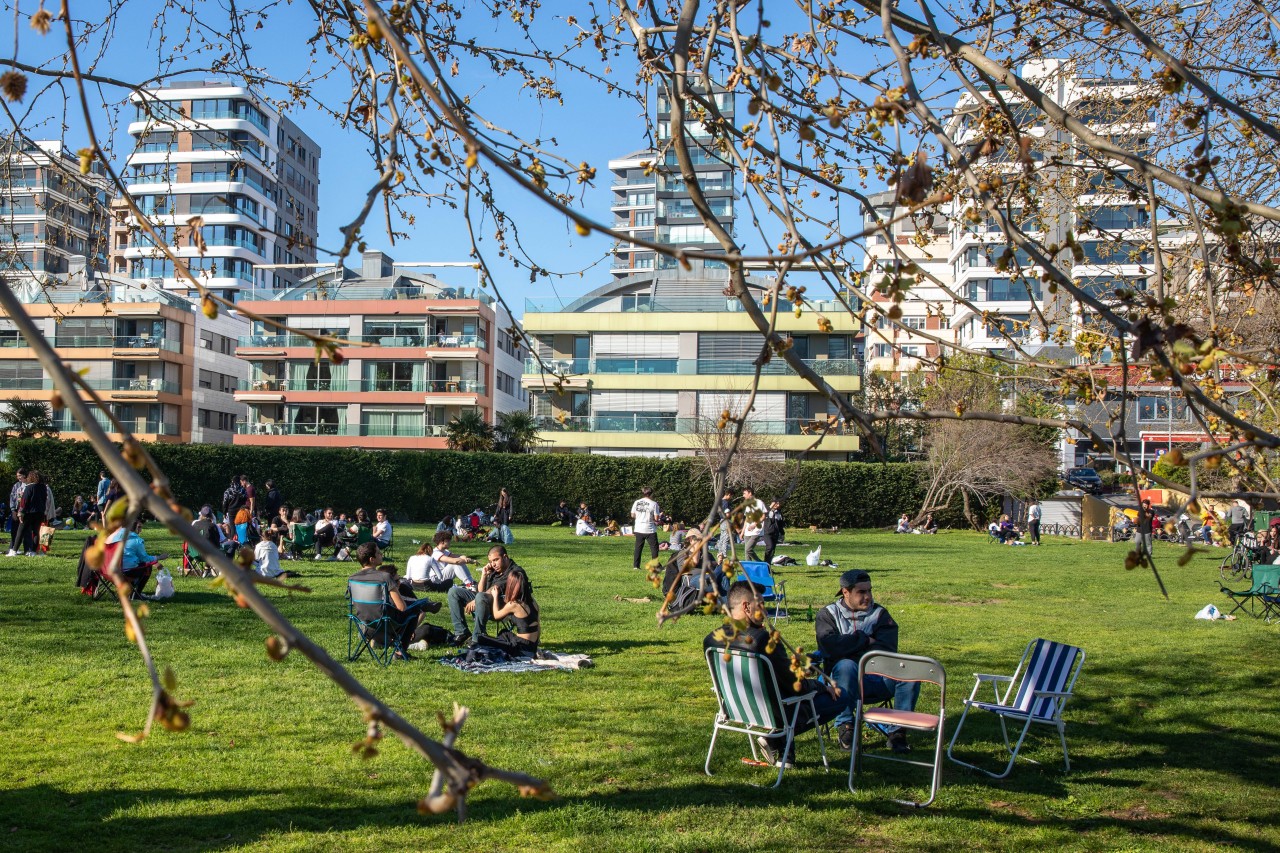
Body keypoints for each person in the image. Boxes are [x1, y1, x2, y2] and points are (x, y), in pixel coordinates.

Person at [706, 581, 843, 767]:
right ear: (746, 607)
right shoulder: (763, 641)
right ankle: (776, 740)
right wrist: (819, 686)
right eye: (761, 605)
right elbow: (796, 686)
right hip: (772, 713)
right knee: (840, 698)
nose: (765, 611)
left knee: (786, 697)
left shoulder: (712, 639)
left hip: (736, 708)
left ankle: (783, 753)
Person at [816, 569, 920, 754]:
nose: (868, 597)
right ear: (845, 592)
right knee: (846, 666)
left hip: (877, 679)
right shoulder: (828, 614)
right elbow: (830, 647)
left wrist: (847, 645)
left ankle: (897, 731)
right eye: (861, 592)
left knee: (909, 673)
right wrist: (863, 639)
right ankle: (845, 727)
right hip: (840, 683)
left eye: (870, 590)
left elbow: (886, 649)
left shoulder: (880, 614)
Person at [348, 542, 433, 661]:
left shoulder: (352, 578)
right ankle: (400, 652)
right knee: (415, 609)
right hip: (386, 626)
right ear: (372, 559)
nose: (381, 554)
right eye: (378, 553)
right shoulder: (384, 577)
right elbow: (401, 607)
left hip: (364, 627)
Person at [446, 544, 525, 646]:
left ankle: (478, 636)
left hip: (503, 606)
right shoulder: (494, 571)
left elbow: (494, 589)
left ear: (505, 557)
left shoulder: (514, 572)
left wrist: (475, 600)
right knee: (454, 592)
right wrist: (484, 575)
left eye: (496, 560)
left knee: (480, 597)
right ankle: (461, 633)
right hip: (485, 601)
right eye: (491, 561)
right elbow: (480, 591)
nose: (493, 564)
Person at [472, 557, 540, 656]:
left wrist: (495, 597)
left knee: (481, 639)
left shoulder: (514, 604)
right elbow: (539, 627)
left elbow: (496, 615)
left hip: (521, 649)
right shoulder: (533, 603)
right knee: (504, 633)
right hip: (532, 647)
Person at [105, 525, 165, 599]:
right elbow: (145, 558)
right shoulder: (136, 540)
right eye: (139, 527)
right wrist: (159, 557)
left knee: (132, 562)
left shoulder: (112, 536)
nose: (141, 530)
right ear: (136, 528)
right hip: (126, 572)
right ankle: (136, 594)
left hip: (108, 571)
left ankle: (129, 590)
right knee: (147, 566)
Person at [406, 531, 477, 592]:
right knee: (455, 564)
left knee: (458, 561)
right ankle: (470, 584)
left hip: (442, 575)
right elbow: (455, 561)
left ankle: (471, 583)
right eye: (448, 541)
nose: (450, 542)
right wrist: (465, 560)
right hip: (435, 578)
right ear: (442, 542)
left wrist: (467, 558)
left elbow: (458, 556)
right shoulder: (435, 553)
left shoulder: (445, 551)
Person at [9, 470, 54, 557]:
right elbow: (45, 500)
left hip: (29, 512)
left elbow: (24, 501)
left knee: (20, 531)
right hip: (40, 513)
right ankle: (33, 551)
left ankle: (14, 550)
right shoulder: (44, 487)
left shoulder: (29, 487)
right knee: (36, 532)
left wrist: (21, 512)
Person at [630, 486, 660, 571]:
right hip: (649, 528)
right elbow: (656, 518)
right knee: (654, 548)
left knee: (638, 548)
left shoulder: (637, 502)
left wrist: (640, 517)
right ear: (651, 493)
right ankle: (655, 566)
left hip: (639, 528)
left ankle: (636, 566)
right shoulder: (654, 504)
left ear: (643, 493)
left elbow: (632, 515)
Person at [740, 487, 767, 561]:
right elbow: (746, 519)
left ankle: (762, 564)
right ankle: (748, 570)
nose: (743, 495)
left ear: (750, 493)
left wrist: (754, 524)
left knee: (748, 550)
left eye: (744, 493)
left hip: (756, 530)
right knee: (746, 552)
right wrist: (742, 532)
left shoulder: (759, 503)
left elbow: (763, 516)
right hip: (747, 532)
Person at [7, 468, 27, 551]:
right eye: (17, 476)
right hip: (17, 509)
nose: (18, 477)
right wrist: (13, 510)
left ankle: (26, 548)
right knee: (14, 530)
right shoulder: (17, 485)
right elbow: (12, 498)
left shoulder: (28, 485)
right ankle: (12, 547)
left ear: (24, 475)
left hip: (25, 511)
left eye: (20, 475)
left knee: (25, 531)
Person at [761, 499, 785, 564]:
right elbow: (766, 515)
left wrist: (782, 533)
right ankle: (765, 563)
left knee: (772, 550)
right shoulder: (767, 511)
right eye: (776, 504)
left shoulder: (779, 512)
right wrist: (771, 508)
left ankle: (768, 565)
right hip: (767, 533)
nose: (778, 505)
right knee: (770, 547)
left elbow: (780, 524)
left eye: (779, 504)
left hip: (775, 533)